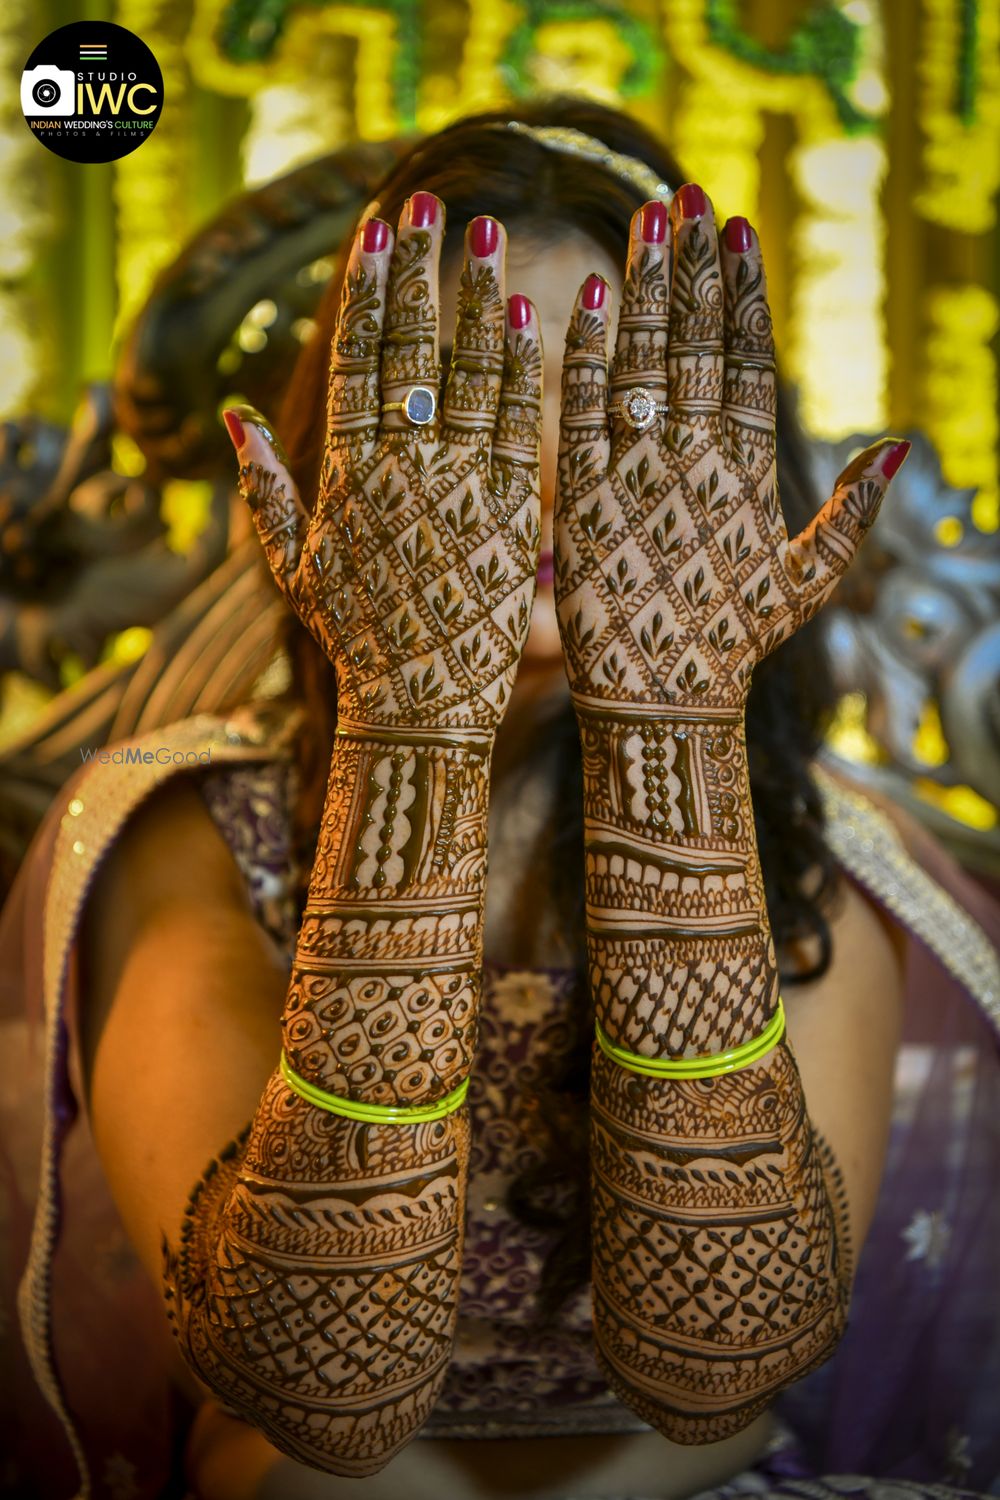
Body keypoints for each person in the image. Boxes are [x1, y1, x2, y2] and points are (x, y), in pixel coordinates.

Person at [1, 100, 998, 1500]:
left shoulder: (817, 861)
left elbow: (718, 1367)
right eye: (449, 402)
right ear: (328, 464)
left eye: (606, 404)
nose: (536, 478)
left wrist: (667, 729)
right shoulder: (189, 834)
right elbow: (307, 1382)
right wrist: (415, 724)